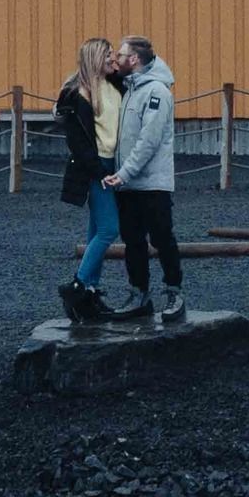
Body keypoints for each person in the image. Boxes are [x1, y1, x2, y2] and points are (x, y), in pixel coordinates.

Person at [104, 35, 183, 322]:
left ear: (134, 59)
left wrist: (122, 173)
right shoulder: (130, 89)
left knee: (162, 238)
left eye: (121, 56)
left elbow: (148, 141)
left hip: (152, 184)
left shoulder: (157, 94)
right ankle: (139, 294)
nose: (117, 61)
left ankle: (174, 292)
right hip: (128, 184)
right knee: (133, 241)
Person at [55, 36, 122, 329]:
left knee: (97, 227)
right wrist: (99, 172)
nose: (114, 59)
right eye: (108, 55)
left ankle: (91, 292)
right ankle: (78, 287)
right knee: (109, 229)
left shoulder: (115, 84)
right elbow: (79, 144)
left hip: (113, 164)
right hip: (96, 168)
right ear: (96, 58)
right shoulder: (76, 96)